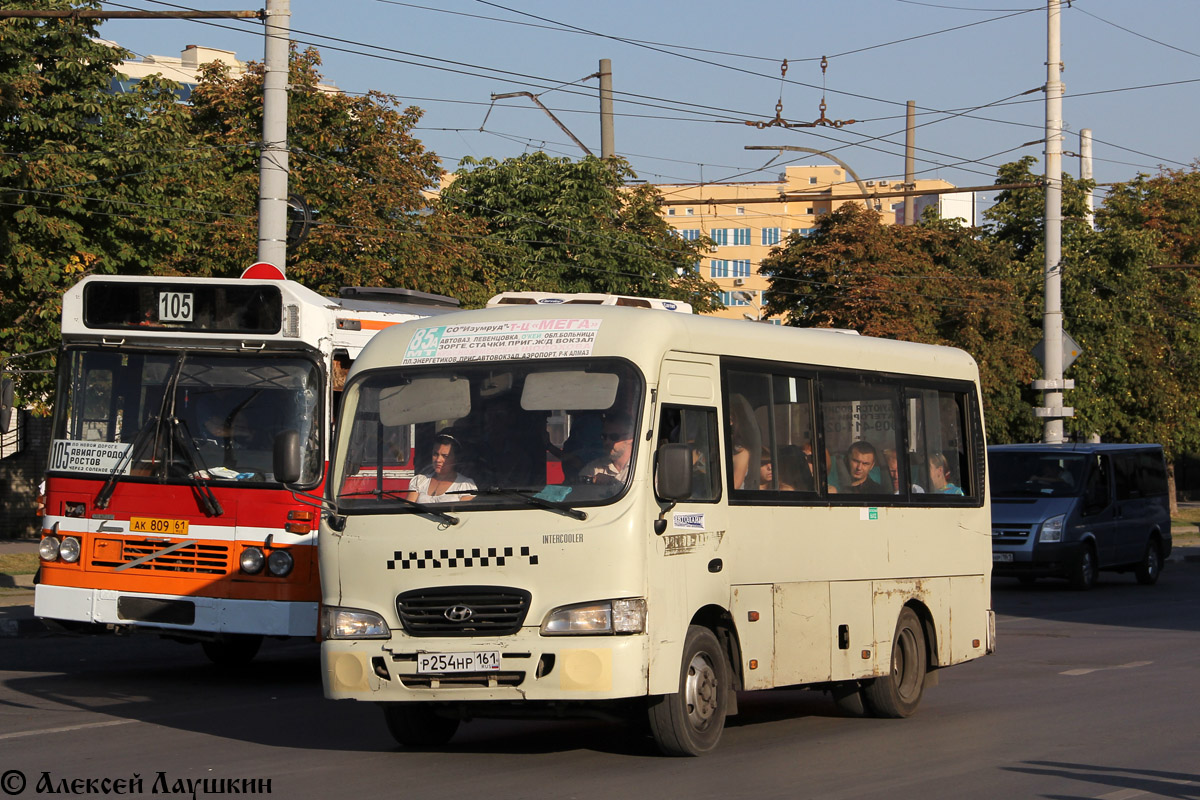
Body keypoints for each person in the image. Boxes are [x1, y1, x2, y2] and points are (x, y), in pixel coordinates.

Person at [406, 432, 477, 503]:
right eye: (435, 454)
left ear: (456, 459)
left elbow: (465, 512)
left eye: (445, 456)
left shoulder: (464, 485)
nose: (438, 460)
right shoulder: (419, 481)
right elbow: (408, 510)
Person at [578, 412, 635, 486]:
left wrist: (613, 482)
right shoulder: (593, 468)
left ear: (630, 438)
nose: (607, 442)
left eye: (614, 437)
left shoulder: (644, 467)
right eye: (604, 436)